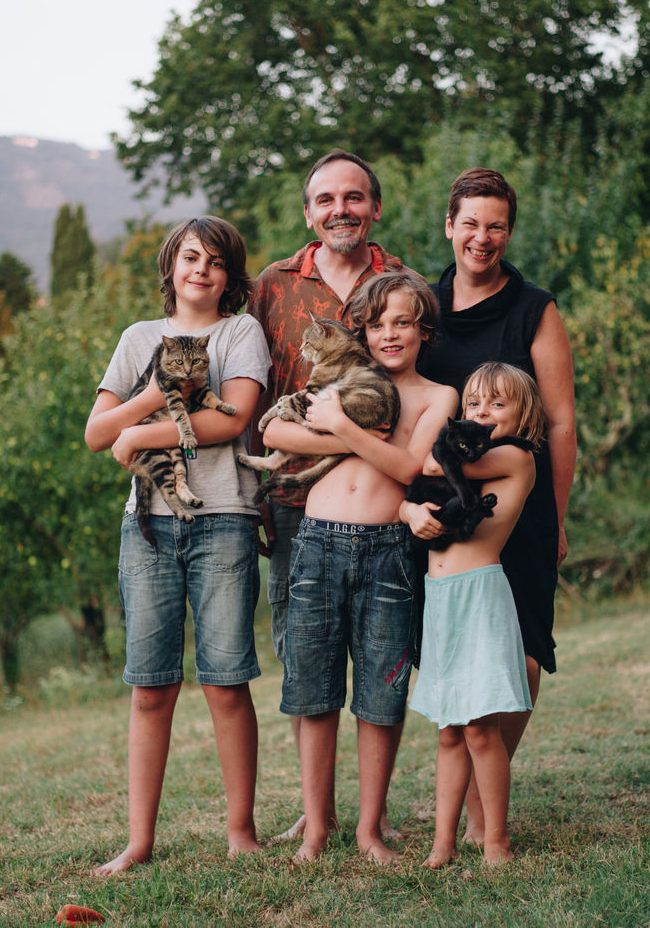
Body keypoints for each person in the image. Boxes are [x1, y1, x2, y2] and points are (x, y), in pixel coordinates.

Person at [83, 216, 271, 875]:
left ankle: (241, 830)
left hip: (223, 518)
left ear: (230, 275)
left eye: (215, 261)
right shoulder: (139, 338)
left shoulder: (240, 333)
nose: (202, 270)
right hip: (149, 528)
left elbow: (230, 419)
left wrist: (138, 436)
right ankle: (138, 841)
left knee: (226, 682)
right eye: (191, 257)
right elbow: (97, 433)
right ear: (171, 266)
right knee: (150, 687)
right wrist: (147, 403)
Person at [261, 271, 459, 863]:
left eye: (403, 323)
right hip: (317, 543)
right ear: (361, 334)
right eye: (377, 325)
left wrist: (342, 427)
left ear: (424, 330)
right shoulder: (337, 378)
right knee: (313, 691)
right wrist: (349, 435)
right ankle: (316, 828)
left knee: (380, 693)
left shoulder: (439, 396)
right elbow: (274, 428)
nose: (389, 335)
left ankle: (370, 830)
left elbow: (408, 467)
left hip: (388, 550)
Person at [248, 149, 407, 841]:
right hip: (292, 504)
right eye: (326, 200)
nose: (341, 209)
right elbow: (251, 386)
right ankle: (318, 814)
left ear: (375, 207)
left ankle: (372, 814)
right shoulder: (272, 286)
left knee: (379, 659)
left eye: (354, 197)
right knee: (305, 659)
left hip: (380, 504)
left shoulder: (402, 283)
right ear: (309, 213)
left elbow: (410, 393)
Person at [415, 167, 577, 845]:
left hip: (518, 501)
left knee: (526, 658)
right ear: (450, 226)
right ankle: (474, 815)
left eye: (497, 226)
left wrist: (557, 515)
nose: (483, 238)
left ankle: (487, 809)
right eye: (471, 223)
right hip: (440, 506)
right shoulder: (424, 306)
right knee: (457, 665)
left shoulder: (534, 309)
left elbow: (560, 421)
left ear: (509, 233)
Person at [403, 362, 548, 867]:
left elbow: (427, 466)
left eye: (497, 404)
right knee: (449, 730)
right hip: (440, 597)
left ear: (523, 417)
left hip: (479, 597)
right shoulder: (473, 459)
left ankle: (495, 840)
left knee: (480, 730)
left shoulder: (516, 457)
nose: (481, 412)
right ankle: (442, 843)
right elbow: (415, 493)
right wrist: (408, 511)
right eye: (473, 403)